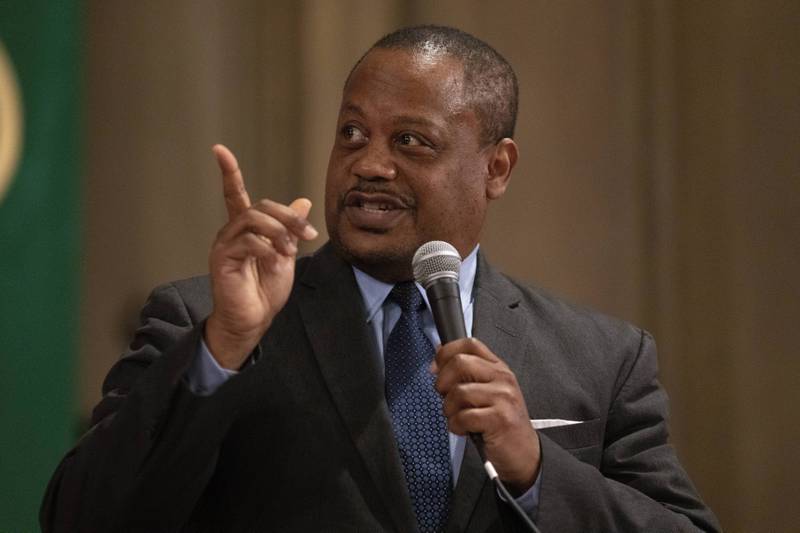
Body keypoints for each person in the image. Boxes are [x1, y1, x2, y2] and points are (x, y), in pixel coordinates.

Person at [41, 25, 720, 532]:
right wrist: (223, 347)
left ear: (497, 167)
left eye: (410, 142)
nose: (369, 164)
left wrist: (536, 467)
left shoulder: (601, 357)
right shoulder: (205, 321)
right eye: (352, 133)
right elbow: (79, 517)